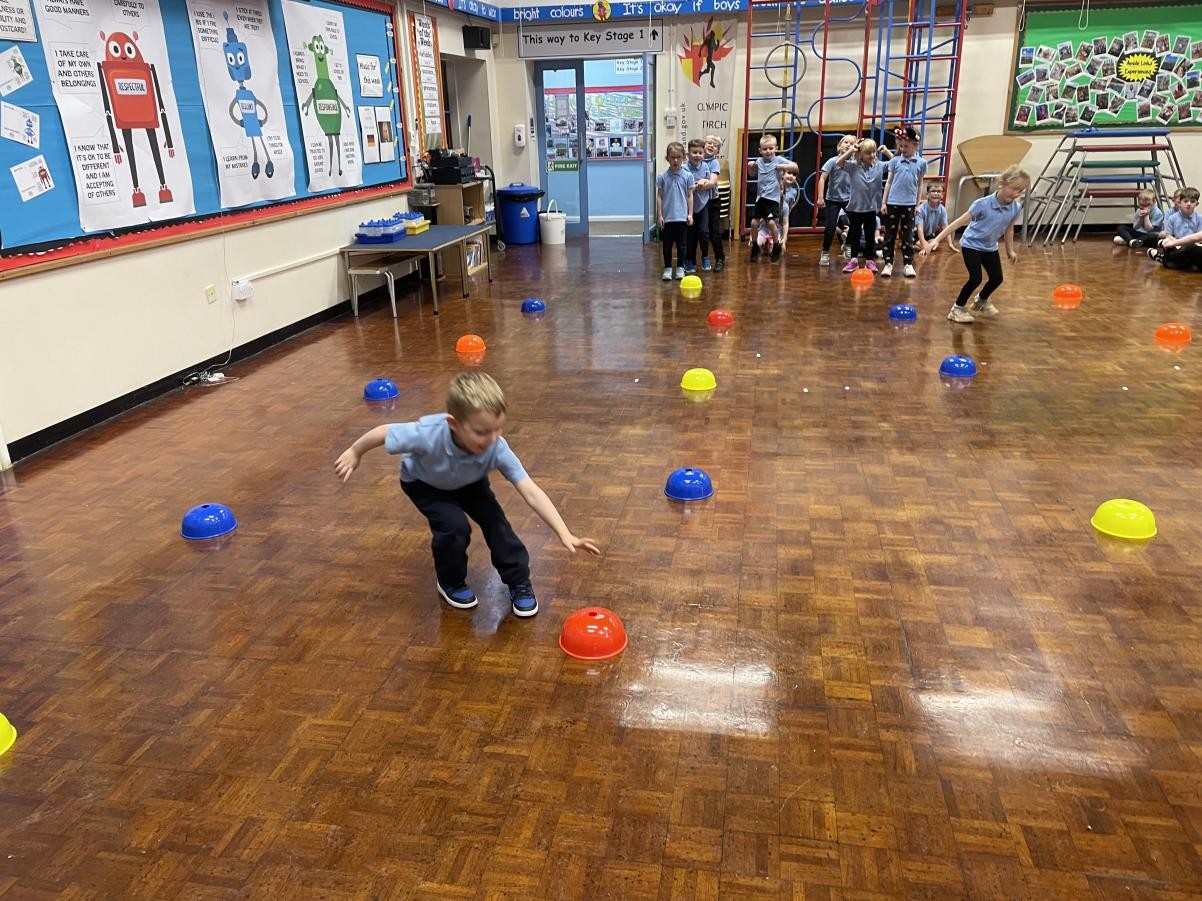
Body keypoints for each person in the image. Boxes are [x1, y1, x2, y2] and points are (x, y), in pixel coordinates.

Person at [334, 372, 601, 618]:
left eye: (498, 429)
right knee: (454, 526)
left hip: (469, 480)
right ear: (453, 424)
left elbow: (529, 490)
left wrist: (565, 533)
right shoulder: (428, 434)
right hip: (424, 483)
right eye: (482, 432)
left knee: (497, 523)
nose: (492, 438)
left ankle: (518, 581)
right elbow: (383, 432)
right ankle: (450, 581)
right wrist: (355, 452)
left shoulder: (495, 446)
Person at [923, 165, 1030, 323]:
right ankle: (957, 309)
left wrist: (1010, 250)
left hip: (990, 247)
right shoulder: (982, 204)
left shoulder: (1015, 207)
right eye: (1014, 189)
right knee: (975, 278)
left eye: (1021, 191)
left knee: (997, 278)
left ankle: (980, 301)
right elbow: (957, 223)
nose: (1017, 194)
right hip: (971, 245)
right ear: (1002, 184)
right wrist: (937, 239)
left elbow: (1009, 229)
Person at [836, 137, 892, 273]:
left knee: (869, 236)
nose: (872, 155)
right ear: (860, 154)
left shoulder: (879, 165)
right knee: (854, 235)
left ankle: (869, 260)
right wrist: (851, 150)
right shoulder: (853, 166)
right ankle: (853, 261)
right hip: (855, 209)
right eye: (868, 153)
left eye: (874, 152)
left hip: (871, 209)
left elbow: (895, 163)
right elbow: (839, 162)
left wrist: (887, 152)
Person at [879, 125, 927, 277]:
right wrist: (884, 202)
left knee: (907, 236)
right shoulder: (895, 161)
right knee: (890, 235)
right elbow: (889, 182)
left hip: (909, 204)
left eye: (906, 146)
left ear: (915, 145)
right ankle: (888, 263)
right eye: (901, 146)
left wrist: (917, 204)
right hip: (893, 203)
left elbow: (920, 185)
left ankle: (908, 264)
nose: (903, 149)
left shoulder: (921, 163)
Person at [747, 134, 797, 263]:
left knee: (771, 223)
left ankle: (776, 246)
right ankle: (754, 248)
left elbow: (795, 166)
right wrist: (750, 166)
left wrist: (782, 167)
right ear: (760, 150)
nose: (768, 151)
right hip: (761, 198)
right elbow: (752, 174)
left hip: (773, 198)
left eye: (770, 148)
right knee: (753, 223)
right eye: (765, 149)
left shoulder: (779, 159)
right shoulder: (759, 161)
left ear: (776, 148)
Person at [656, 141, 695, 280]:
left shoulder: (688, 176)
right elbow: (659, 196)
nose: (676, 160)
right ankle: (667, 267)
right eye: (672, 157)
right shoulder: (662, 177)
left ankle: (680, 267)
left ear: (684, 157)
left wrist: (690, 214)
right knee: (666, 245)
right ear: (667, 158)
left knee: (682, 245)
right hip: (668, 218)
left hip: (682, 218)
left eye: (678, 157)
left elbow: (690, 195)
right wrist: (660, 215)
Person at [817, 134, 857, 265]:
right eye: (846, 142)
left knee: (853, 225)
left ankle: (848, 245)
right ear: (839, 146)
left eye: (852, 144)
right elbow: (822, 178)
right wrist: (820, 197)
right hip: (832, 199)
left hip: (849, 199)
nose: (848, 145)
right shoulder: (832, 161)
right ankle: (825, 252)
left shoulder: (854, 163)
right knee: (830, 227)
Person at [684, 138, 717, 273]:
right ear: (688, 154)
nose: (697, 155)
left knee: (704, 232)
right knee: (690, 235)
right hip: (688, 207)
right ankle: (690, 260)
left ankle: (705, 256)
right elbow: (686, 188)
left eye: (700, 152)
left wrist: (705, 182)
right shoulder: (684, 168)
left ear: (703, 154)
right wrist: (697, 186)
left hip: (703, 205)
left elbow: (711, 184)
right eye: (694, 152)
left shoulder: (706, 167)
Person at [1149, 186, 1202, 268]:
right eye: (1186, 201)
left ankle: (1166, 259)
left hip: (1192, 245)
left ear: (1197, 204)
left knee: (1191, 248)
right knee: (1166, 242)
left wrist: (1181, 244)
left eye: (1192, 201)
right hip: (1176, 244)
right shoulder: (1172, 218)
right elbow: (1168, 235)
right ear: (1179, 202)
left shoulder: (1199, 218)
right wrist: (1176, 242)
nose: (1189, 204)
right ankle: (1180, 261)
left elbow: (1198, 238)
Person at [703, 134, 726, 272]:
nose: (711, 146)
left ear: (717, 151)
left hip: (712, 202)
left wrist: (697, 184)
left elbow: (712, 182)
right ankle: (692, 260)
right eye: (709, 143)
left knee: (714, 232)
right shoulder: (696, 160)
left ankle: (720, 258)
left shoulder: (714, 163)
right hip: (700, 202)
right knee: (700, 232)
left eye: (715, 145)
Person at [916, 182, 954, 253]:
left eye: (939, 191)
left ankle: (919, 246)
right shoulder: (921, 209)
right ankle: (913, 245)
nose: (936, 193)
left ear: (942, 195)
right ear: (927, 194)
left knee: (934, 245)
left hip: (929, 234)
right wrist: (923, 244)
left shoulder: (942, 209)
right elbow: (920, 229)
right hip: (917, 234)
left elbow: (945, 227)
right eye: (933, 191)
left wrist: (950, 243)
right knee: (926, 246)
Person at [778, 171, 800, 250]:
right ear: (782, 175)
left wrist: (784, 239)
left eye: (794, 174)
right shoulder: (775, 187)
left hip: (781, 219)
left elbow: (790, 207)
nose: (791, 176)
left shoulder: (794, 192)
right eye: (789, 173)